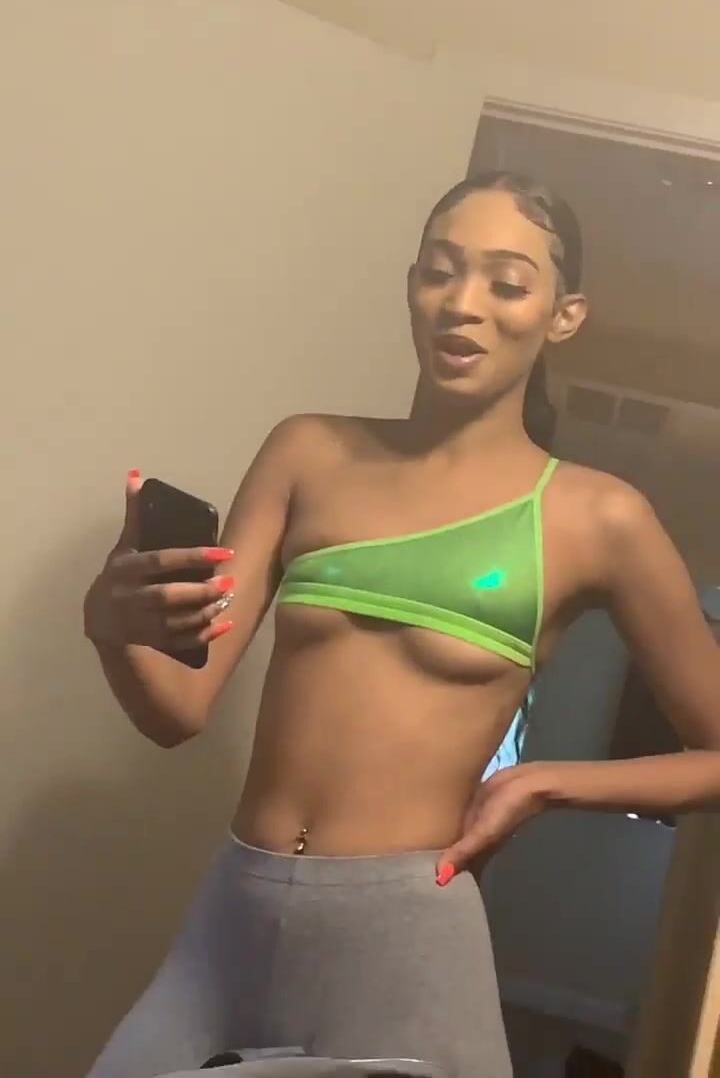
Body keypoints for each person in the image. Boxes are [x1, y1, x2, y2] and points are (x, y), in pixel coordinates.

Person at [83, 172, 720, 1078]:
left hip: (402, 936)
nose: (463, 304)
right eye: (441, 271)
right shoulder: (306, 451)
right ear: (412, 285)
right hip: (234, 913)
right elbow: (179, 712)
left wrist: (543, 784)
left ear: (564, 315)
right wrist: (107, 627)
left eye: (507, 282)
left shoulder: (596, 517)